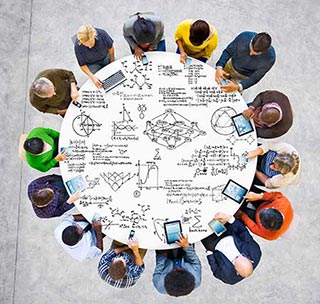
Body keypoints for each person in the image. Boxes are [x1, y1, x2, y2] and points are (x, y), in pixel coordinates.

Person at [201, 212, 261, 285]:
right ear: (250, 261)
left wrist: (209, 254)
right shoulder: (255, 252)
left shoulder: (229, 277)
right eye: (241, 256)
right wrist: (230, 219)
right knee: (212, 215)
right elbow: (243, 232)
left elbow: (216, 271)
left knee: (201, 224)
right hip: (227, 232)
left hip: (213, 243)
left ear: (237, 272)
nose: (237, 256)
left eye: (235, 259)